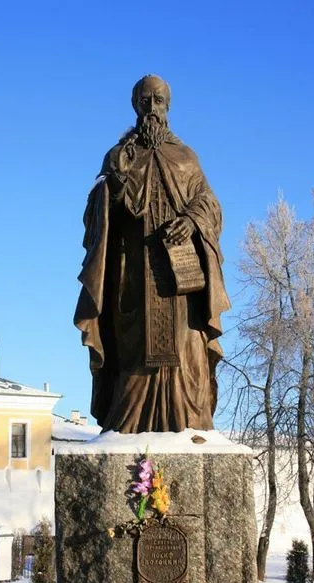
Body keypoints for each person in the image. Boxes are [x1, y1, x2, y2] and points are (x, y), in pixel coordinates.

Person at [74, 75, 230, 433]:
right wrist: (113, 188)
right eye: (145, 101)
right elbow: (93, 214)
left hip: (180, 279)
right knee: (133, 349)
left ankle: (188, 422)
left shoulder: (186, 158)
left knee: (186, 349)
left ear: (168, 106)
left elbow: (211, 205)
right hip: (133, 273)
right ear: (135, 105)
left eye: (158, 101)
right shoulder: (118, 156)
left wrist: (191, 220)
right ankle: (127, 425)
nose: (152, 108)